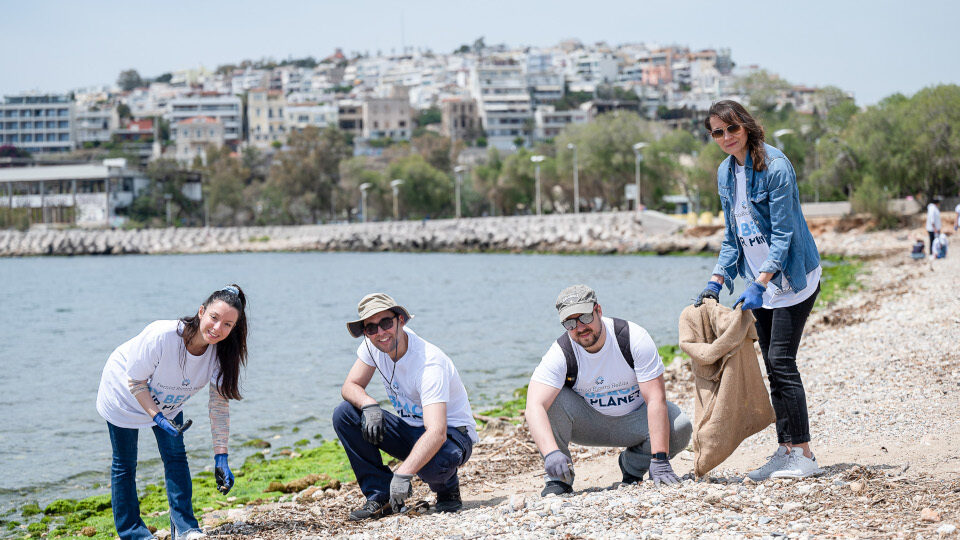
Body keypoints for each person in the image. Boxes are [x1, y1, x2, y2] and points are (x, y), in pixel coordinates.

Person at [696, 100, 823, 480]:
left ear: (747, 126)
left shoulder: (775, 166)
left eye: (731, 128)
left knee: (782, 361)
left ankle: (803, 453)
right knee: (772, 364)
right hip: (760, 284)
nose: (726, 138)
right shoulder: (725, 171)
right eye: (717, 132)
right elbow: (734, 235)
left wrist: (760, 283)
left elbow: (783, 234)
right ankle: (786, 450)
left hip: (790, 279)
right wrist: (717, 279)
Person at [96, 285, 248, 540]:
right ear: (201, 311)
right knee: (125, 464)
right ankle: (133, 533)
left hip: (167, 400)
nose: (217, 328)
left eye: (227, 325)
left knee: (176, 457)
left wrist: (221, 456)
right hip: (124, 391)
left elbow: (219, 406)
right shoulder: (163, 335)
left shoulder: (222, 355)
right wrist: (156, 417)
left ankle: (186, 528)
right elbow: (135, 381)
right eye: (214, 317)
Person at [525, 284, 692, 496]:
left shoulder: (633, 338)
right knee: (547, 400)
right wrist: (551, 453)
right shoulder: (561, 352)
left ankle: (633, 467)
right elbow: (533, 407)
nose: (580, 327)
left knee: (680, 426)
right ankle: (559, 479)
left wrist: (660, 459)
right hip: (588, 423)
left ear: (598, 311)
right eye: (570, 322)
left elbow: (655, 399)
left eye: (585, 317)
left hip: (634, 420)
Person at [332, 293, 477, 521]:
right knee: (345, 414)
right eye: (370, 328)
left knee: (437, 463)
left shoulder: (429, 363)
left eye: (385, 323)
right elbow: (350, 385)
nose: (380, 332)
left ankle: (447, 487)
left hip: (452, 436)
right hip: (410, 429)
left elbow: (437, 432)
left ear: (401, 320)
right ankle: (381, 496)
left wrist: (402, 475)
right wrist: (369, 404)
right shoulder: (372, 347)